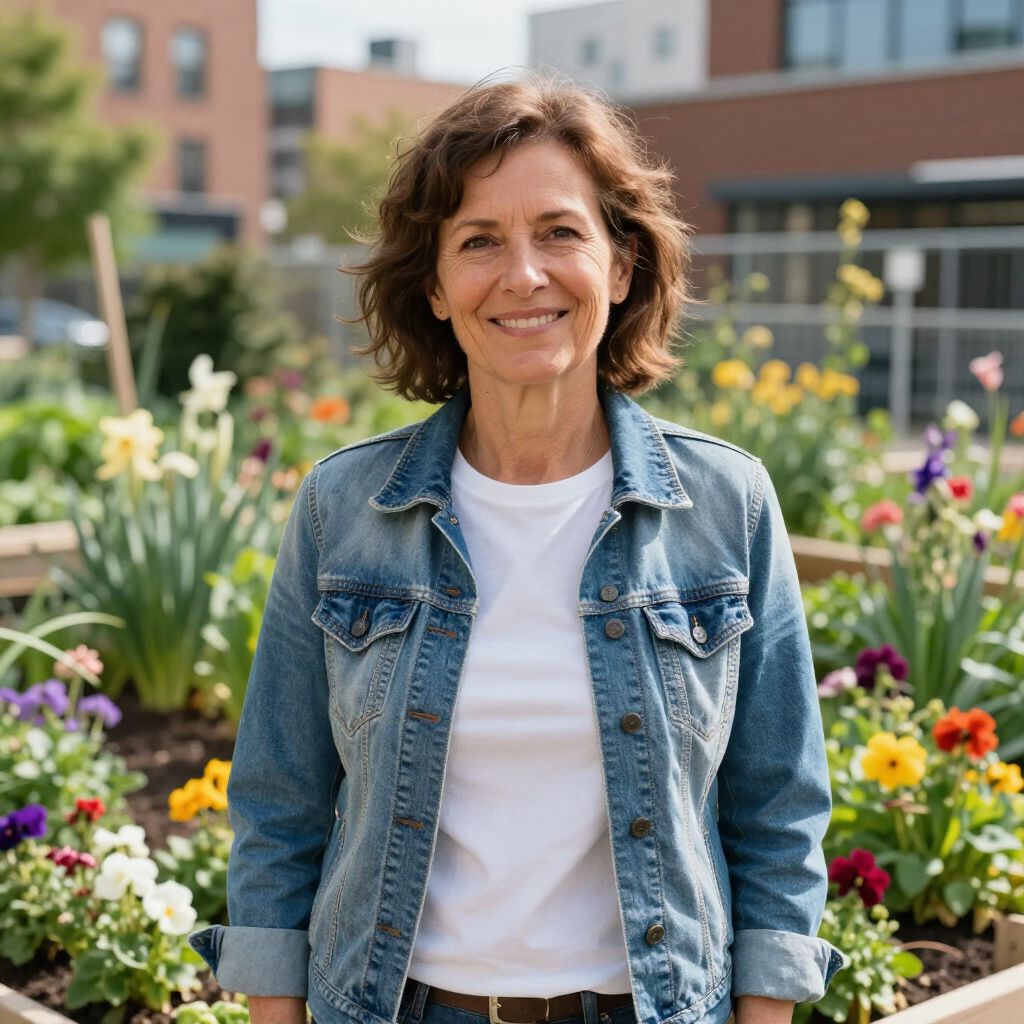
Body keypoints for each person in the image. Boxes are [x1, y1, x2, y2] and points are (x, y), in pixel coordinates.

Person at [188, 71, 849, 1024]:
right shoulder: (345, 507)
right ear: (437, 286)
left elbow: (778, 808)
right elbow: (279, 806)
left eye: (560, 232)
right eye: (480, 241)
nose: (524, 274)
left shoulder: (725, 504)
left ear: (621, 268)